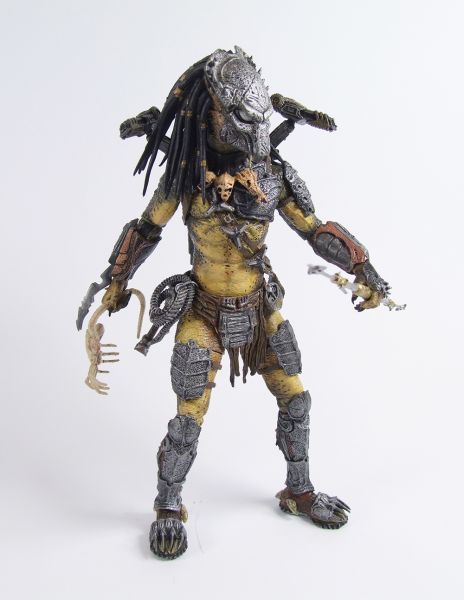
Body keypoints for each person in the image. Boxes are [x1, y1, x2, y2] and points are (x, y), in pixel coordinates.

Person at [80, 47, 390, 559]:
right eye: (237, 119)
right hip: (202, 310)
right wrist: (117, 280)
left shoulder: (272, 175)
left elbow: (315, 230)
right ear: (211, 114)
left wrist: (363, 267)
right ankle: (167, 504)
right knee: (188, 418)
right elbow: (147, 228)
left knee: (296, 399)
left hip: (259, 308)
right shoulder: (185, 176)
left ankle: (299, 490)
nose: (250, 133)